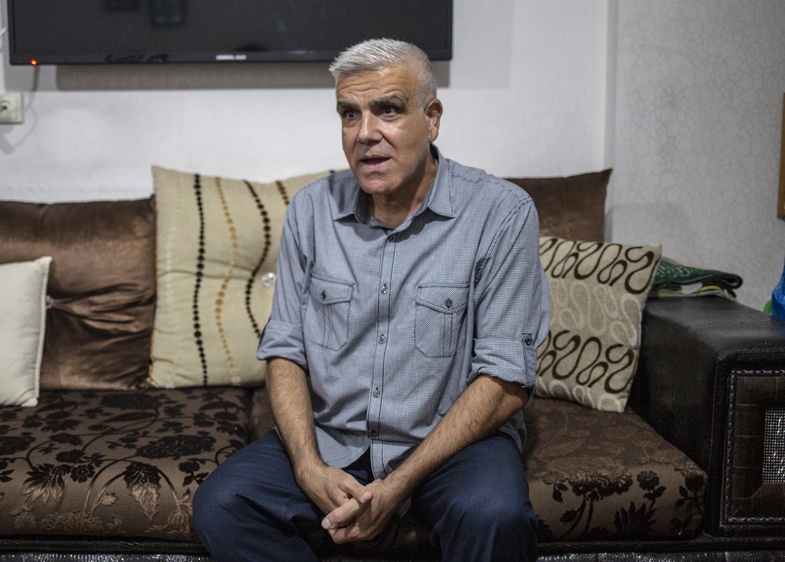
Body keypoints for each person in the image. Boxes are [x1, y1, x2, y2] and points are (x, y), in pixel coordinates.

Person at [193, 38, 550, 562]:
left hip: (452, 444)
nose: (365, 135)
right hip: (334, 437)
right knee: (222, 505)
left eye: (388, 110)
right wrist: (309, 467)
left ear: (431, 118)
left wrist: (401, 482)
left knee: (493, 515)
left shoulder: (501, 213)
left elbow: (504, 379)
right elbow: (286, 349)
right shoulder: (312, 211)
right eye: (349, 114)